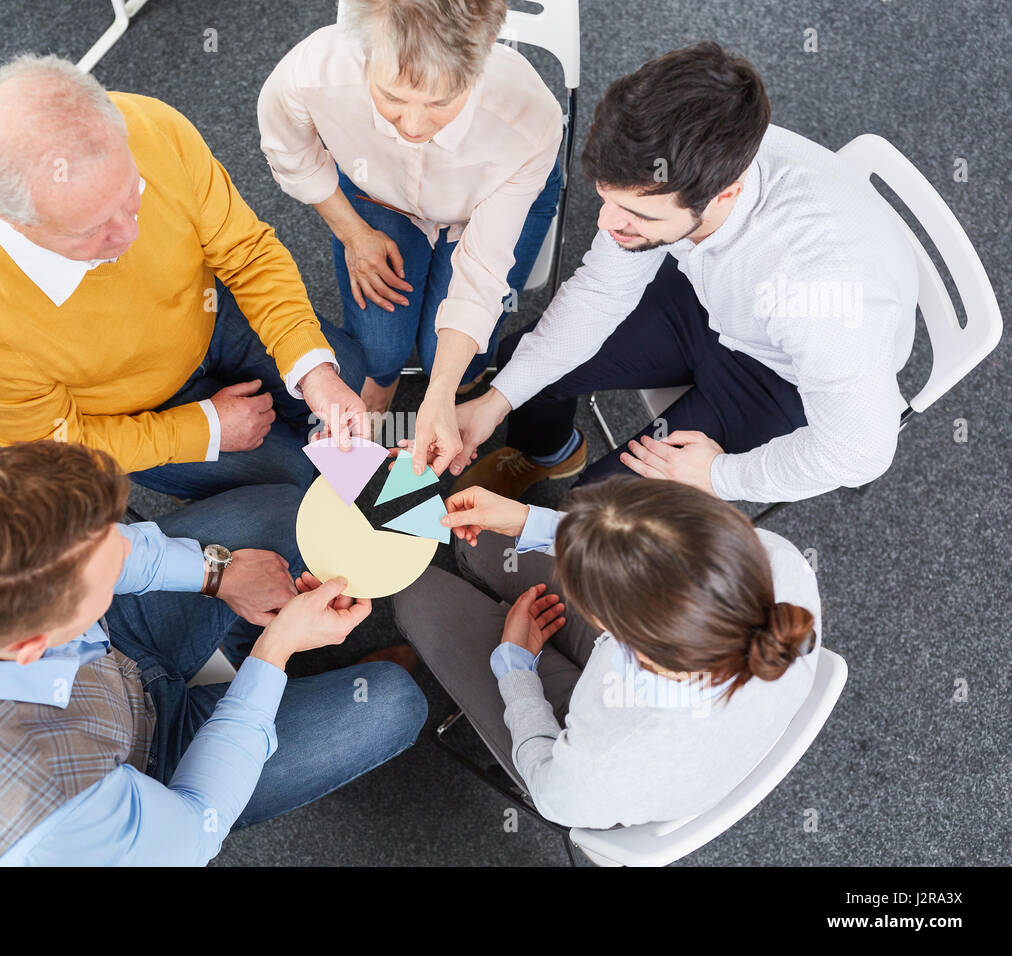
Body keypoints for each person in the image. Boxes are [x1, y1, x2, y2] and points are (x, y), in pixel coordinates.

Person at [0, 441, 426, 866]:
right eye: (108, 570)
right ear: (39, 643)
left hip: (108, 654)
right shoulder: (53, 830)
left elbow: (113, 550)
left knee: (279, 517)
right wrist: (276, 654)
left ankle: (245, 654)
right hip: (140, 772)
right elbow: (197, 825)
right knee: (393, 702)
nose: (126, 550)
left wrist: (216, 575)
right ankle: (259, 659)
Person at [452, 42, 919, 505]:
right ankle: (549, 454)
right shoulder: (687, 159)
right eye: (605, 196)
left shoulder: (822, 298)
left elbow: (860, 453)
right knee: (518, 366)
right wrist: (496, 402)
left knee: (593, 510)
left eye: (636, 213)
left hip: (784, 377)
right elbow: (600, 292)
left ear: (724, 196)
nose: (605, 223)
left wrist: (721, 475)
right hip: (713, 300)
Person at [0, 54, 369, 502]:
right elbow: (53, 444)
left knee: (343, 367)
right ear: (8, 218)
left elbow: (244, 252)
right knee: (289, 482)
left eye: (131, 194)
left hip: (209, 311)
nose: (130, 235)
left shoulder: (150, 126)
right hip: (133, 413)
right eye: (91, 230)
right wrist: (201, 429)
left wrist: (310, 368)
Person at [393, 477, 821, 828]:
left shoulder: (601, 768)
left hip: (579, 754)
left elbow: (547, 786)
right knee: (481, 538)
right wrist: (530, 521)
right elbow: (650, 556)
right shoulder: (779, 566)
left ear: (613, 632)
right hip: (654, 690)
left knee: (413, 594)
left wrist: (517, 670)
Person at [258, 0, 563, 475]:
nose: (415, 128)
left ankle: (456, 384)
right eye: (393, 98)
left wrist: (439, 391)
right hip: (379, 197)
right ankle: (382, 385)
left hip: (486, 205)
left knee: (464, 361)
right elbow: (292, 156)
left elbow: (482, 271)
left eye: (441, 102)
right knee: (380, 351)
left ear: (482, 55)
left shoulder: (527, 117)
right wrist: (353, 234)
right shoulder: (311, 72)